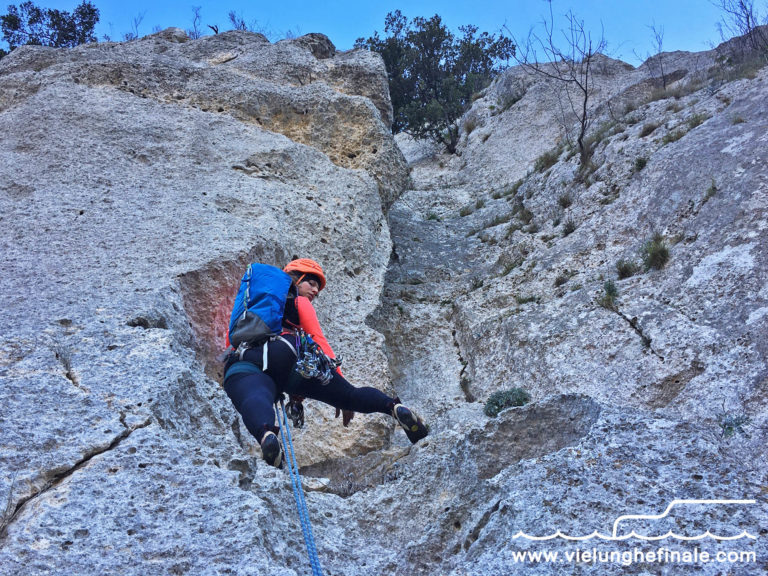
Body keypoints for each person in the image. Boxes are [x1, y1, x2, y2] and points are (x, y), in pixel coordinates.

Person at [222, 258, 428, 467]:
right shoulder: (298, 302)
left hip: (245, 358)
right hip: (287, 352)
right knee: (351, 395)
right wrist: (340, 387)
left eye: (317, 289)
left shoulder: (250, 306)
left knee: (254, 395)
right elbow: (317, 338)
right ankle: (393, 407)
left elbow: (231, 340)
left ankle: (266, 434)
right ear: (295, 279)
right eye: (311, 282)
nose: (315, 291)